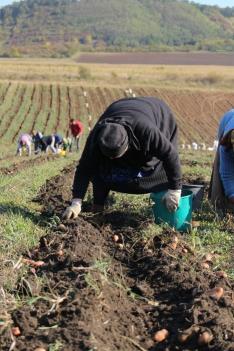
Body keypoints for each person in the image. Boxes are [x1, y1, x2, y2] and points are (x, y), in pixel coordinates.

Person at [63, 96, 182, 219]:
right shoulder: (97, 135)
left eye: (117, 157)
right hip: (121, 107)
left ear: (127, 146)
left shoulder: (147, 132)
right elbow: (84, 168)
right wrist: (76, 202)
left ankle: (163, 204)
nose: (113, 160)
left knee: (157, 168)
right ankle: (98, 208)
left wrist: (175, 189)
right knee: (101, 169)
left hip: (158, 113)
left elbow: (170, 155)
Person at [209, 109, 234, 212]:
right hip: (227, 120)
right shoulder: (226, 142)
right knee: (219, 176)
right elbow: (226, 173)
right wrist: (231, 194)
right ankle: (219, 207)